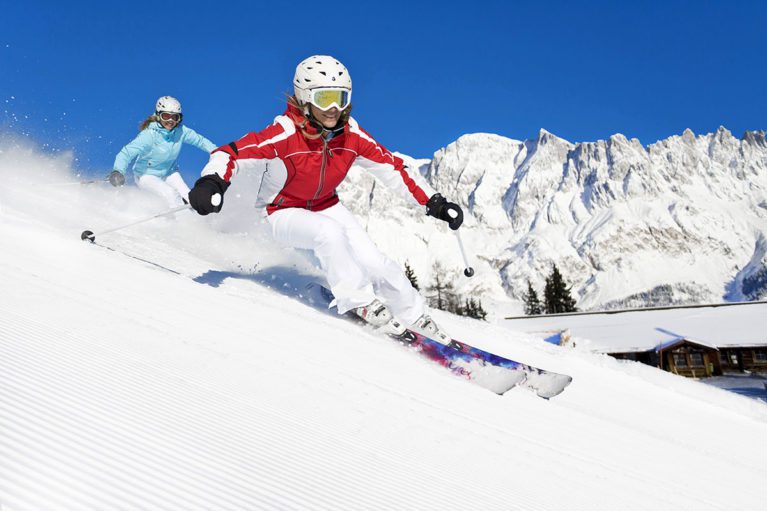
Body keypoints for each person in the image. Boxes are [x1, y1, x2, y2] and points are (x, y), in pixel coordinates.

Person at [187, 55, 463, 342]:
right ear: (305, 98)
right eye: (325, 98)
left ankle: (413, 315)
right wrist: (211, 183)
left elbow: (392, 168)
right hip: (278, 212)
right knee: (328, 234)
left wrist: (434, 202)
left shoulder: (351, 135)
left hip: (327, 205)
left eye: (341, 98)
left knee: (375, 262)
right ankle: (359, 301)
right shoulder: (285, 133)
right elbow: (229, 154)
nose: (334, 108)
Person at [109, 96, 217, 207]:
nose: (170, 121)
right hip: (146, 175)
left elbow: (201, 141)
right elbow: (126, 153)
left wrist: (218, 152)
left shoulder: (181, 131)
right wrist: (118, 171)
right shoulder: (149, 135)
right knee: (171, 194)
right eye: (166, 116)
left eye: (174, 117)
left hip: (169, 172)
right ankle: (180, 222)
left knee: (189, 197)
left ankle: (196, 219)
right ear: (158, 115)